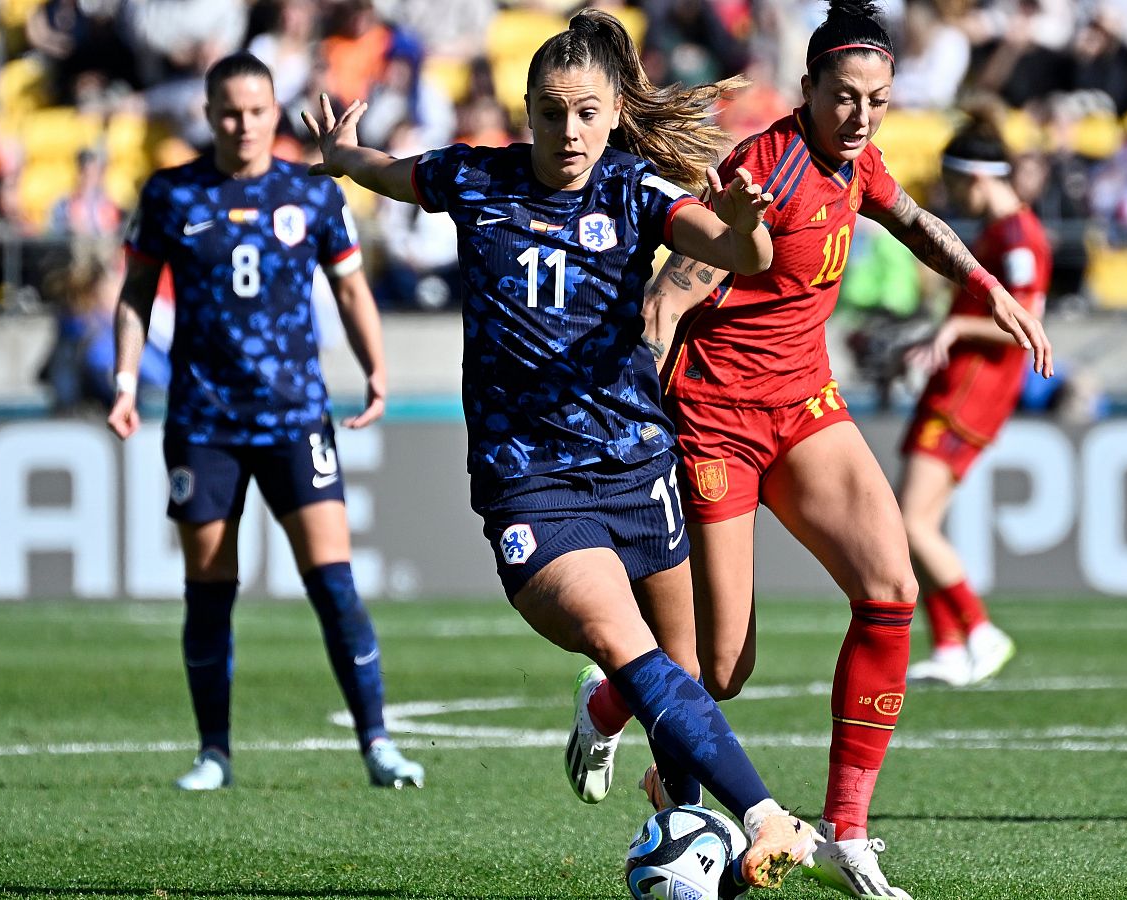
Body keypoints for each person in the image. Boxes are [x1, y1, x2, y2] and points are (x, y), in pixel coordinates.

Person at [303, 9, 824, 891]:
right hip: (531, 483)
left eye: (586, 112)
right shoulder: (476, 180)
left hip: (637, 465)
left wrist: (745, 225)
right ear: (527, 111)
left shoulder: (636, 193)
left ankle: (665, 807)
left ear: (616, 111)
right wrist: (343, 159)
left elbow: (742, 251)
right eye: (551, 111)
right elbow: (393, 176)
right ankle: (765, 816)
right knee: (638, 653)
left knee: (686, 677)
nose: (568, 130)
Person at [576, 2, 1052, 898]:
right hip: (714, 418)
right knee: (720, 670)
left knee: (892, 586)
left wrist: (984, 284)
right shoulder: (766, 172)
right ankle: (608, 696)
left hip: (804, 406)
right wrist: (634, 400)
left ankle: (848, 832)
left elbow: (910, 219)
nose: (862, 115)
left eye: (877, 98)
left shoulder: (858, 159)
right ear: (807, 92)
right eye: (844, 97)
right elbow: (671, 295)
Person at [107, 52, 425, 793]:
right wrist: (125, 382)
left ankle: (377, 743)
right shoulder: (170, 194)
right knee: (209, 588)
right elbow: (134, 295)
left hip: (295, 417)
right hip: (203, 418)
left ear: (273, 110)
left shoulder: (311, 191)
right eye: (227, 111)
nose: (241, 124)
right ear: (208, 113)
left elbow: (350, 290)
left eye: (255, 110)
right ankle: (213, 752)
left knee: (334, 583)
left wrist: (377, 369)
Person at [900, 112, 1051, 687]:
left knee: (912, 523)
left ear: (977, 177)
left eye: (956, 181)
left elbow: (1027, 319)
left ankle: (980, 631)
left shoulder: (1017, 237)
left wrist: (957, 331)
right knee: (916, 523)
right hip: (956, 389)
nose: (953, 193)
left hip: (971, 395)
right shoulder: (999, 234)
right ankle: (950, 645)